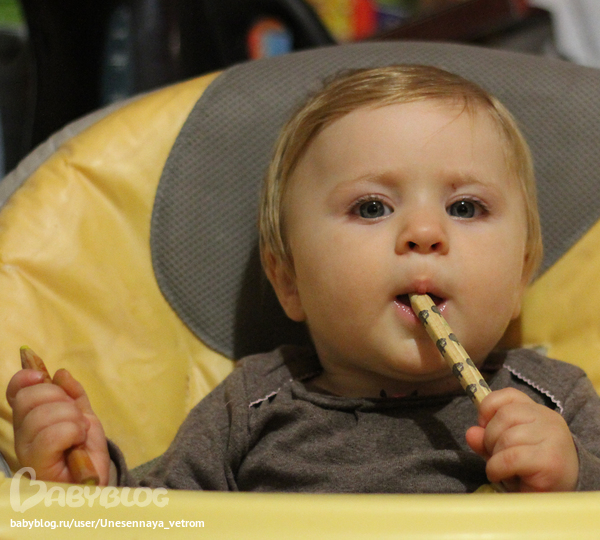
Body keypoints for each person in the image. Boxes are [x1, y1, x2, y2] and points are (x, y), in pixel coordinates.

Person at [7, 65, 600, 493]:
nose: (424, 232)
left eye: (465, 208)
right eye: (372, 207)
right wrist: (85, 484)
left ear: (522, 275)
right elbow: (163, 521)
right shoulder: (249, 408)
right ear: (287, 279)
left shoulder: (554, 401)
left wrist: (574, 478)